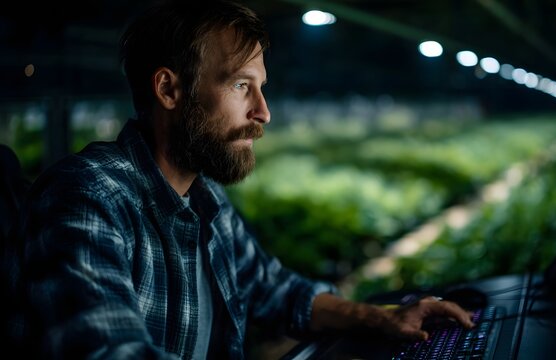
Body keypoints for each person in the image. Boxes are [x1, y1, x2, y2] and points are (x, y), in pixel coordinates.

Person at [6, 0, 474, 358]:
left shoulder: (204, 202)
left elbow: (277, 290)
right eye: (239, 85)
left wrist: (385, 318)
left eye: (261, 87)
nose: (262, 112)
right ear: (169, 89)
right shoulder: (88, 198)